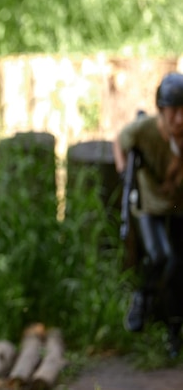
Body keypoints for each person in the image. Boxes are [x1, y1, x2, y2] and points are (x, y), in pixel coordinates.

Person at [113, 72, 183, 358]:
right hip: (148, 205)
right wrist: (122, 173)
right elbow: (120, 140)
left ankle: (173, 334)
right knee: (159, 256)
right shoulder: (145, 129)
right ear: (162, 111)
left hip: (178, 207)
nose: (179, 119)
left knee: (179, 268)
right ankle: (142, 298)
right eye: (174, 112)